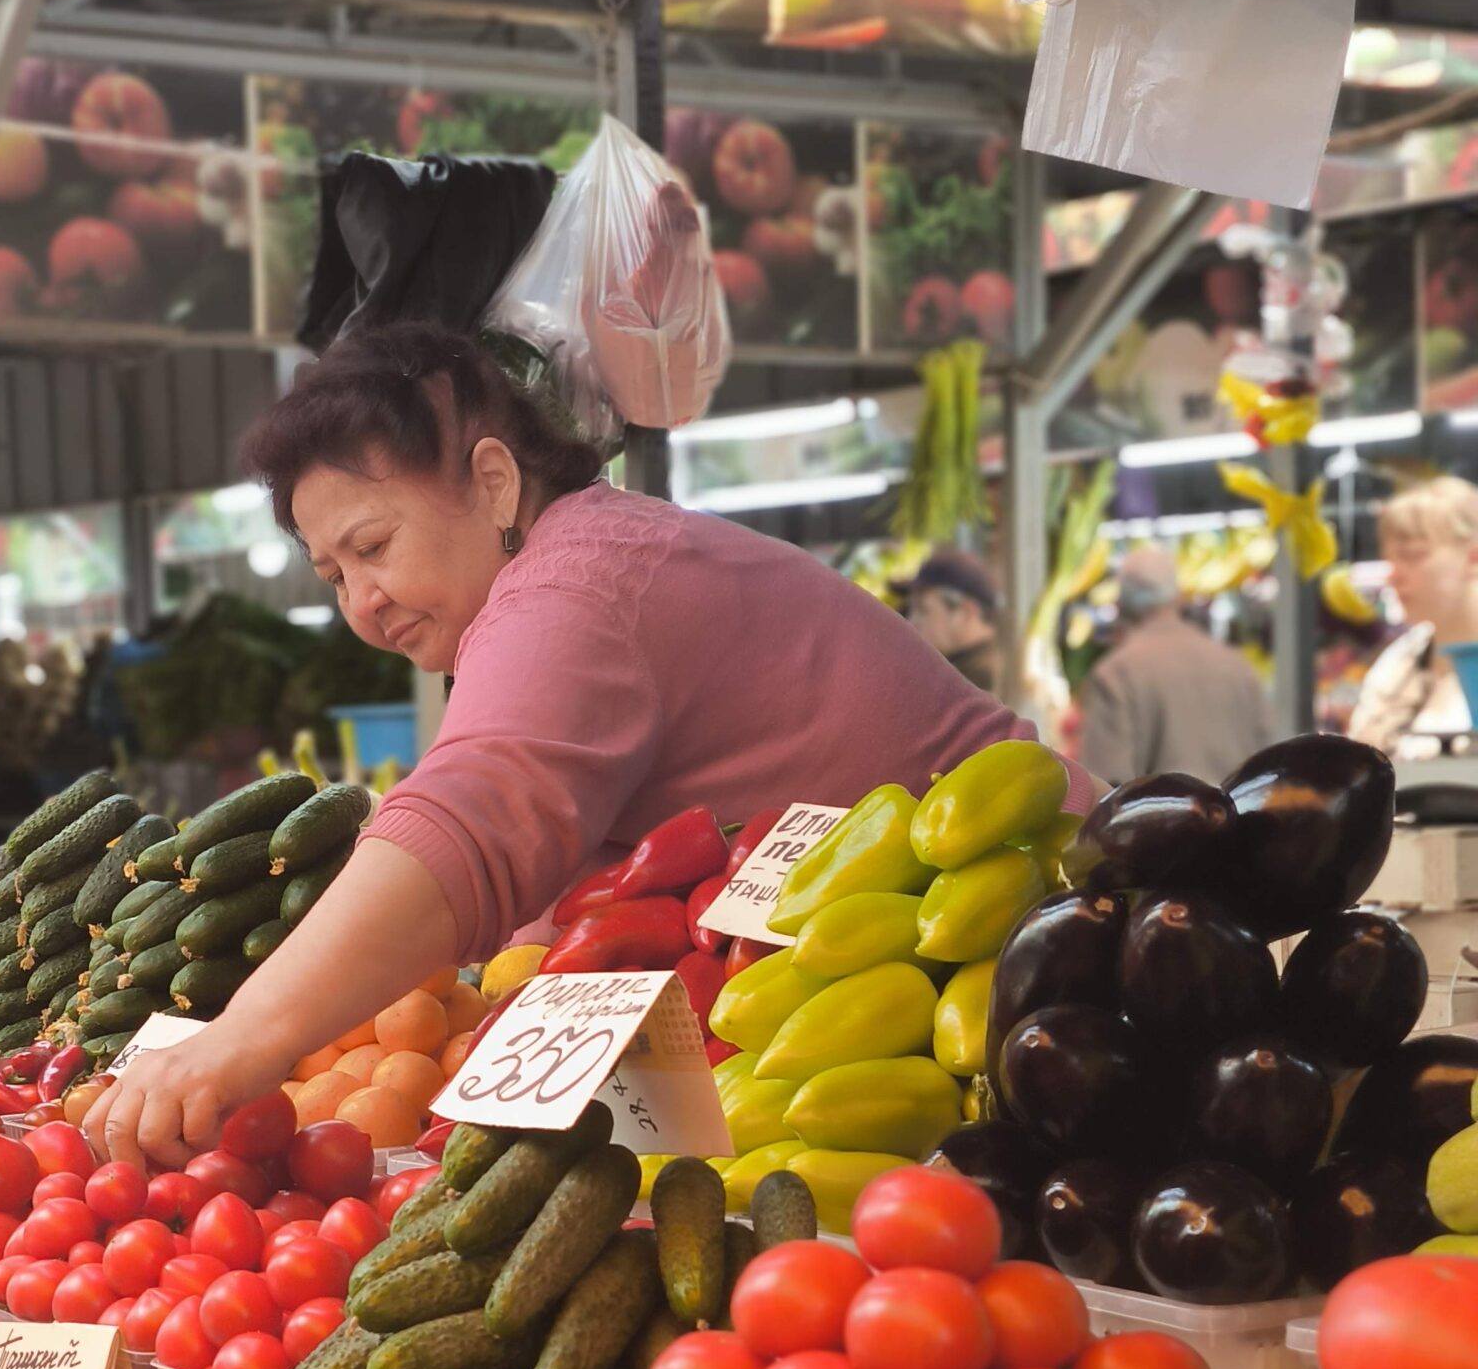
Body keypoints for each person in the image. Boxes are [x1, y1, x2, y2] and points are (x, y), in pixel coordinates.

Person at [92, 323, 1071, 1168]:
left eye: (375, 546)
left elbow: (476, 815)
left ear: (490, 480)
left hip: (1037, 944)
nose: (361, 600)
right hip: (915, 987)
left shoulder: (574, 587)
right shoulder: (575, 567)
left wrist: (240, 1041)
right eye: (333, 573)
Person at [1078, 542, 1274, 786]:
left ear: (1121, 604)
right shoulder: (1237, 666)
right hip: (1239, 820)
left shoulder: (1116, 674)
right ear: (1178, 597)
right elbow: (1269, 765)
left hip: (1161, 823)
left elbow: (1105, 784)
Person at [1347, 474, 1478, 759]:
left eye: (1412, 555)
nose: (1393, 574)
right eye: (1390, 558)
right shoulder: (1396, 666)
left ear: (1473, 559)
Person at [905, 549, 1002, 694]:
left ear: (966, 612)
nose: (911, 622)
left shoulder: (976, 689)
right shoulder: (966, 678)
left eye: (923, 610)